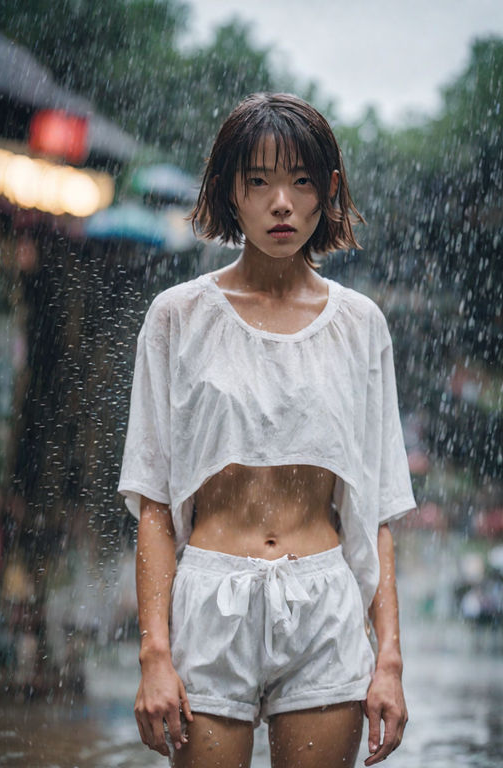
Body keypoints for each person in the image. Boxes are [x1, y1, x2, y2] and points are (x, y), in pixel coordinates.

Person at [118, 92, 417, 768]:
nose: (281, 202)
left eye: (301, 180)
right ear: (231, 191)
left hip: (323, 600)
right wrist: (155, 654)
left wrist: (390, 661)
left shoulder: (360, 325)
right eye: (259, 181)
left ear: (328, 190)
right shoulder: (177, 319)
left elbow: (377, 507)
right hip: (210, 596)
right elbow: (155, 504)